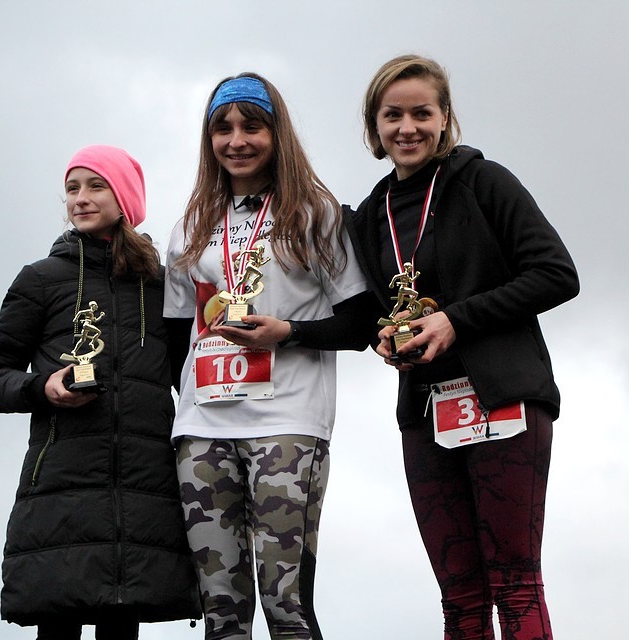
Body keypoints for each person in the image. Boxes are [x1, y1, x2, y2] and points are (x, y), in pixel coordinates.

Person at [343, 55, 580, 640]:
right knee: (460, 598)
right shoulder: (369, 215)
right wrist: (383, 336)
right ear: (374, 126)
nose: (408, 128)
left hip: (504, 396)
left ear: (445, 117)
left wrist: (456, 320)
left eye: (422, 113)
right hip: (426, 411)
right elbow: (371, 313)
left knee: (515, 583)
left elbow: (556, 273)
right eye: (392, 116)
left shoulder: (484, 181)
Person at [164, 73, 376, 640]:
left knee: (287, 605)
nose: (237, 141)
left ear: (277, 133)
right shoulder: (190, 225)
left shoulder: (314, 213)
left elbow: (360, 324)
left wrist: (288, 332)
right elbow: (174, 335)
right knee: (221, 613)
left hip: (288, 422)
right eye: (223, 129)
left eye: (251, 127)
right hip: (203, 427)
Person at [0, 145, 200, 639]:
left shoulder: (163, 286)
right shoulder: (40, 280)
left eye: (96, 186)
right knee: (59, 623)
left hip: (144, 490)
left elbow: (191, 379)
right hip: (61, 491)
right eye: (72, 188)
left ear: (125, 199)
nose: (80, 198)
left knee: (122, 625)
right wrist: (41, 387)